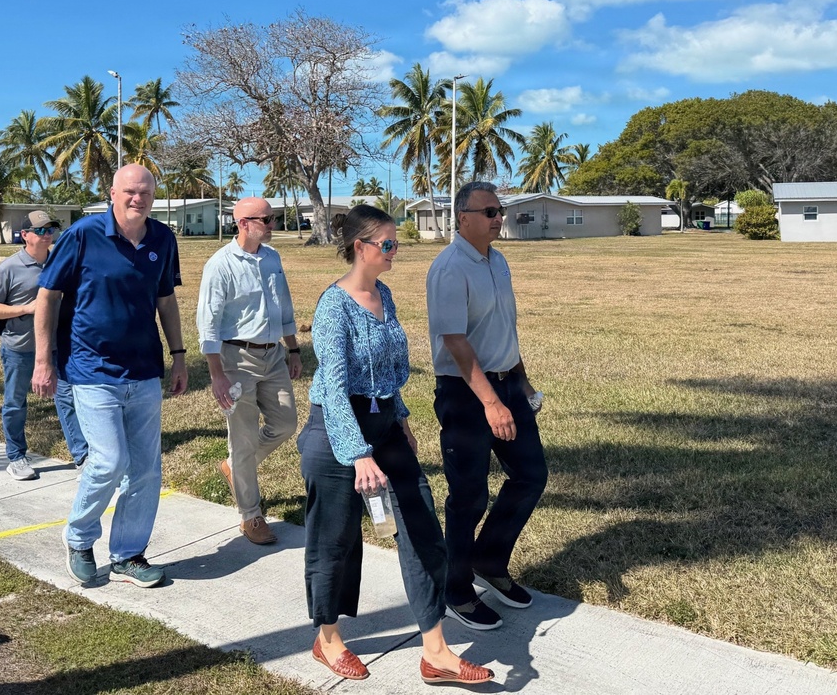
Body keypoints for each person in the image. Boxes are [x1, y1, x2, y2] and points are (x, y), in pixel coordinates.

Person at [298, 205, 493, 685]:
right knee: (335, 538)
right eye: (386, 244)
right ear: (360, 247)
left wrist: (400, 414)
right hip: (336, 431)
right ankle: (327, 639)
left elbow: (384, 370)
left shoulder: (383, 295)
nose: (394, 252)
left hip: (384, 424)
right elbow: (337, 384)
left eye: (396, 243)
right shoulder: (333, 305)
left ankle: (436, 652)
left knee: (422, 526)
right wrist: (358, 452)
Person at [31, 164, 188, 589]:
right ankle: (79, 537)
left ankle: (128, 554)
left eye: (146, 192)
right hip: (90, 368)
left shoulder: (162, 239)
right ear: (112, 193)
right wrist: (44, 361)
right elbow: (48, 296)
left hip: (143, 371)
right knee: (108, 461)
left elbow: (166, 300)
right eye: (130, 192)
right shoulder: (84, 234)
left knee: (146, 470)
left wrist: (178, 355)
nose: (138, 199)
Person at [425, 181, 548, 631]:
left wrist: (523, 386)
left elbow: (504, 332)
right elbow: (455, 342)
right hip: (465, 394)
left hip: (508, 387)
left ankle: (488, 562)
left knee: (531, 475)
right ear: (463, 218)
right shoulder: (449, 268)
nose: (499, 217)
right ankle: (456, 588)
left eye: (501, 210)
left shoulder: (498, 261)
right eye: (490, 211)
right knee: (468, 497)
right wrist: (492, 404)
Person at [196, 197, 301, 545]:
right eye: (267, 219)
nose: (272, 225)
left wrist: (294, 348)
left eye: (274, 218)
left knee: (285, 422)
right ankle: (251, 516)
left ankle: (235, 467)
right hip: (235, 359)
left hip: (273, 356)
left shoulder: (272, 258)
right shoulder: (220, 265)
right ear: (243, 223)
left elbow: (284, 305)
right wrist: (216, 374)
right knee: (241, 437)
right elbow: (208, 323)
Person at [0, 211, 88, 480]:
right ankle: (16, 457)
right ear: (25, 235)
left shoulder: (60, 263)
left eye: (50, 230)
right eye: (40, 230)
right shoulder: (8, 268)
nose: (47, 235)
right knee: (16, 402)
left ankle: (82, 456)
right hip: (20, 348)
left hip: (57, 347)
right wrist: (26, 308)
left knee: (66, 399)